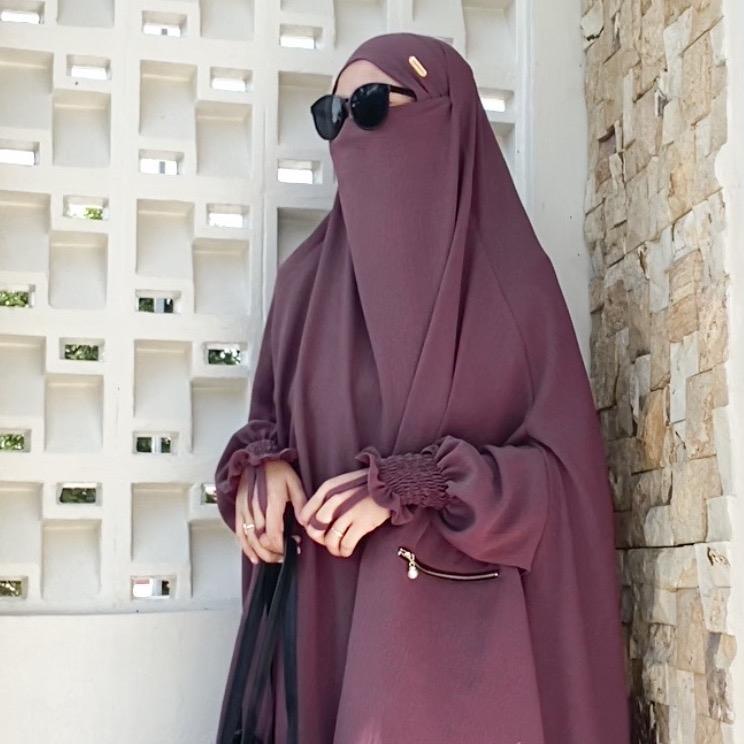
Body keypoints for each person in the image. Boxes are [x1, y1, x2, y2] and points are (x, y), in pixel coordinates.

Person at [214, 31, 631, 744]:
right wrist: (264, 474)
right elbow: (269, 427)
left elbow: (564, 489)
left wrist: (420, 483)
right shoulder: (305, 285)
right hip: (331, 627)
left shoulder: (514, 291)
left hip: (465, 657)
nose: (351, 132)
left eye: (372, 106)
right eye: (334, 116)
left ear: (446, 111)